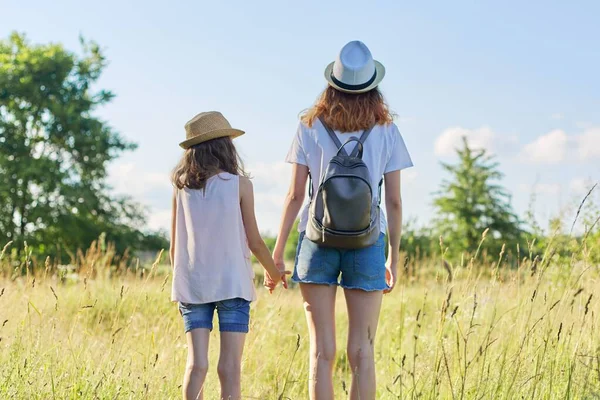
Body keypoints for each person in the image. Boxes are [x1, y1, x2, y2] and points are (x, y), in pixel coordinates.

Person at [272, 41, 413, 399]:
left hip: (316, 239)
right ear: (373, 87)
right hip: (368, 243)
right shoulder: (387, 131)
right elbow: (394, 201)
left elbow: (293, 196)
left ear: (331, 84)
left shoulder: (309, 127)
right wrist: (392, 256)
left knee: (321, 352)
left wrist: (276, 253)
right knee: (363, 352)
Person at [170, 111, 289, 400]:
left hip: (192, 286)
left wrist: (183, 283)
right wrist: (274, 274)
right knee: (230, 368)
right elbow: (255, 242)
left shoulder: (181, 188)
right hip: (233, 284)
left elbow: (175, 247)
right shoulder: (239, 185)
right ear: (226, 146)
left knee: (196, 364)